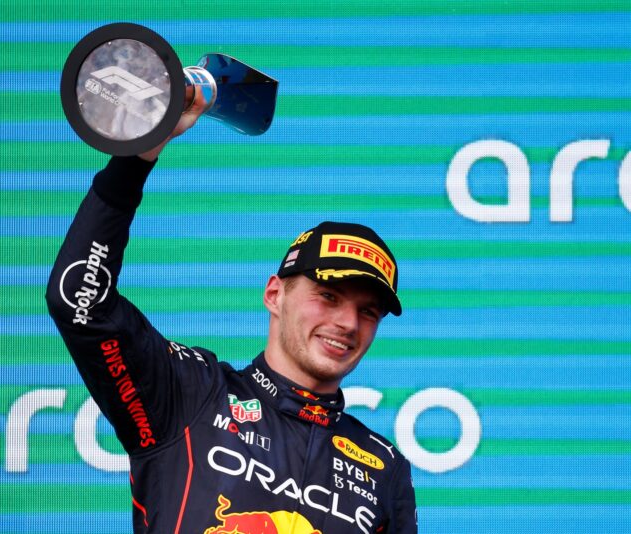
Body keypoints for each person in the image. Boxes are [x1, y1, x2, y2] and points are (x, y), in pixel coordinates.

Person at [45, 92, 417, 533]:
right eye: (328, 296)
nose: (348, 323)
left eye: (368, 311)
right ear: (274, 295)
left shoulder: (385, 468)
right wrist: (137, 157)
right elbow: (79, 300)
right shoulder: (192, 392)